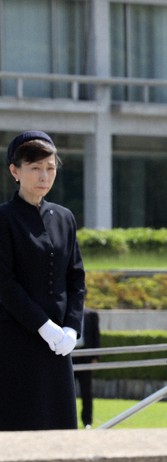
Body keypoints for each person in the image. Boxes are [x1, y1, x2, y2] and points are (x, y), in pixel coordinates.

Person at [0, 130, 85, 430]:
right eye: (35, 168)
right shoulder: (5, 219)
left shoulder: (64, 218)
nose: (44, 176)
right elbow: (5, 284)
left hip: (58, 346)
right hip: (16, 342)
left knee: (59, 427)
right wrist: (43, 325)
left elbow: (76, 278)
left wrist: (72, 328)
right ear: (15, 171)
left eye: (50, 168)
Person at [73, 308, 101, 428]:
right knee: (67, 390)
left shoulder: (91, 314)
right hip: (69, 355)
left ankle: (87, 421)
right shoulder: (68, 311)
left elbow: (96, 336)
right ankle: (69, 419)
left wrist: (95, 357)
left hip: (85, 356)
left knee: (87, 391)